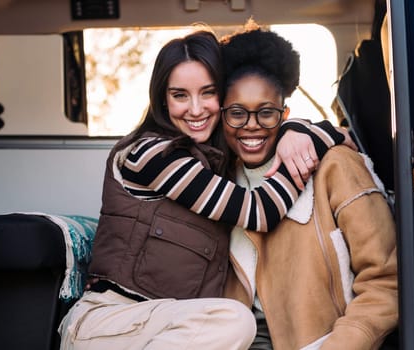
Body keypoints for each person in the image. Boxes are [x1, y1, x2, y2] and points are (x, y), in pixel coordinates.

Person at [59, 29, 350, 350]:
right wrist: (301, 153)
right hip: (108, 325)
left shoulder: (215, 164)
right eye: (180, 95)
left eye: (207, 92)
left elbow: (346, 136)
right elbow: (259, 212)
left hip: (173, 327)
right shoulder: (151, 154)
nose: (195, 109)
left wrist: (297, 131)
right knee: (235, 320)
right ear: (162, 98)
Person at [219, 23, 398, 350]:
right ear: (221, 116)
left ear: (285, 113)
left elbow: (386, 284)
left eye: (266, 113)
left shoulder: (336, 167)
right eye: (237, 113)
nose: (251, 126)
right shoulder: (218, 183)